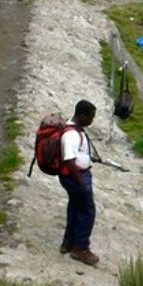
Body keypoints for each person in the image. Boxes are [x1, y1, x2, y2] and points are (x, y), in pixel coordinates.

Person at [58, 99, 99, 266]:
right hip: (75, 177)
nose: (92, 121)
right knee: (88, 212)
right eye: (91, 117)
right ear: (82, 116)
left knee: (75, 207)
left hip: (75, 176)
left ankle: (68, 241)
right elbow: (69, 161)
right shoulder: (71, 135)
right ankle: (81, 248)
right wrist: (82, 184)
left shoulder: (75, 128)